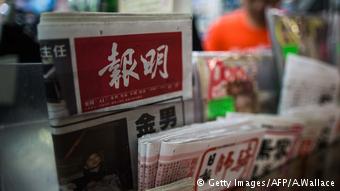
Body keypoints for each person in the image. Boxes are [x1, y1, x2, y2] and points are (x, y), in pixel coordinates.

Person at [203, 0, 281, 51]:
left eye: (267, 1)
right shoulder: (220, 29)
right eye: (253, 1)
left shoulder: (287, 30)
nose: (259, 7)